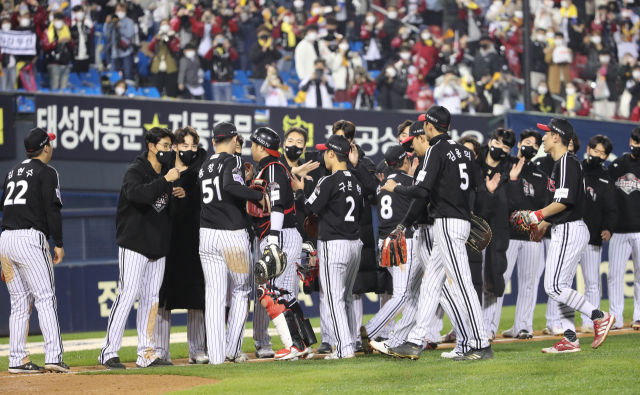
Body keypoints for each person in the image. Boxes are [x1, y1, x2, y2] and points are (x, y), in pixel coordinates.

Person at [381, 106, 498, 361]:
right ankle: (414, 340)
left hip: (447, 222)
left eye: (425, 125)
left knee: (463, 285)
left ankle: (480, 343)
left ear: (431, 127)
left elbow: (422, 191)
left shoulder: (436, 149)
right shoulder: (464, 151)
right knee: (431, 283)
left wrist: (395, 186)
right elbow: (478, 189)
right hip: (459, 220)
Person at [528, 117, 615, 353]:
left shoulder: (566, 161)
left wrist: (536, 216)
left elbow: (564, 201)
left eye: (547, 134)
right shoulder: (565, 163)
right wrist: (544, 223)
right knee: (561, 286)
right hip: (567, 227)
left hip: (570, 229)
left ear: (557, 137)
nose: (543, 137)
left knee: (554, 287)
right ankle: (570, 338)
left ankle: (599, 316)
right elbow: (564, 204)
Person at [99, 127, 182, 370]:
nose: (169, 150)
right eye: (165, 146)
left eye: (171, 146)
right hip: (134, 243)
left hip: (157, 247)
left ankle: (146, 353)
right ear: (151, 146)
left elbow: (166, 211)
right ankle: (108, 352)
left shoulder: (168, 173)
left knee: (151, 300)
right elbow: (136, 195)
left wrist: (177, 192)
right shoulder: (136, 170)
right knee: (127, 294)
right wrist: (165, 181)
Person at [0, 128, 69, 374]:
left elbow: (4, 206)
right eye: (49, 143)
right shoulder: (47, 172)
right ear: (46, 147)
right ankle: (53, 356)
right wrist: (58, 243)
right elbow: (52, 210)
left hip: (5, 240)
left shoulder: (12, 171)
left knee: (19, 303)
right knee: (45, 297)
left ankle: (17, 359)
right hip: (30, 239)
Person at [292, 134, 363, 359]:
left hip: (335, 244)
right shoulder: (356, 182)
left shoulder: (328, 180)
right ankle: (350, 342)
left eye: (325, 151)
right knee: (348, 297)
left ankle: (344, 348)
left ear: (332, 153)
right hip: (355, 245)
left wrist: (299, 191)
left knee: (334, 298)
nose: (323, 155)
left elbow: (310, 207)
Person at [198, 122, 262, 364]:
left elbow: (219, 189)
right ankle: (232, 350)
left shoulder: (204, 166)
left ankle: (215, 356)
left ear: (214, 141)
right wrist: (258, 194)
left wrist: (240, 182)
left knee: (214, 294)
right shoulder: (233, 159)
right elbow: (230, 186)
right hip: (232, 236)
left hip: (207, 235)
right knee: (241, 290)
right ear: (235, 139)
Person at [248, 127, 315, 360]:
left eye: (253, 144)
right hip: (283, 233)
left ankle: (293, 344)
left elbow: (276, 205)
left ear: (260, 146)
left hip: (281, 233)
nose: (251, 148)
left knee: (272, 292)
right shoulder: (274, 167)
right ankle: (303, 342)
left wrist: (274, 240)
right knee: (284, 293)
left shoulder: (273, 168)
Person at [155, 127, 208, 364]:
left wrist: (188, 195)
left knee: (196, 297)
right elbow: (153, 202)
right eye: (184, 146)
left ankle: (197, 350)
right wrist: (168, 194)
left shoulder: (202, 170)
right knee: (162, 297)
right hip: (167, 241)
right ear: (175, 147)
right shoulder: (164, 170)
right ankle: (160, 351)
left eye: (193, 146)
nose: (189, 151)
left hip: (194, 241)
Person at [360, 145, 416, 351]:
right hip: (401, 242)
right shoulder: (410, 183)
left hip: (383, 241)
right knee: (402, 294)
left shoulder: (381, 185)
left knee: (409, 292)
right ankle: (372, 329)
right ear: (405, 161)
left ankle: (400, 336)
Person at [496, 130, 549, 340]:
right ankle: (489, 327)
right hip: (506, 234)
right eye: (528, 143)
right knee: (500, 281)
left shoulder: (539, 174)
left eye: (536, 146)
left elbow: (545, 206)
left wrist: (541, 227)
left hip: (531, 237)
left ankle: (523, 326)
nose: (532, 148)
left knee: (529, 282)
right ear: (519, 143)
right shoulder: (505, 165)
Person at [477, 128, 522, 341]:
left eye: (506, 147)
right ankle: (464, 327)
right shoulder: (474, 158)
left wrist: (512, 180)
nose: (500, 149)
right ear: (491, 140)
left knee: (493, 277)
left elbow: (515, 202)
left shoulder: (511, 166)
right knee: (470, 278)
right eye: (498, 143)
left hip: (497, 227)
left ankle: (488, 326)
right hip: (473, 223)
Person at [576, 135, 617, 333]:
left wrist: (608, 228)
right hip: (570, 233)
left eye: (603, 153)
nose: (598, 155)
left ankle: (589, 321)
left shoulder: (606, 177)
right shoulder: (575, 167)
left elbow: (611, 208)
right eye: (596, 151)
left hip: (592, 236)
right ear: (588, 149)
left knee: (592, 281)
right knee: (561, 282)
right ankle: (557, 321)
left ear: (607, 156)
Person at [607, 127, 640, 331]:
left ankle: (639, 316)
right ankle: (616, 318)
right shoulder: (618, 164)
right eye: (636, 142)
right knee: (614, 275)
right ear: (630, 141)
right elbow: (607, 195)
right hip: (618, 230)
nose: (637, 146)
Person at [250, 25, 282, 105]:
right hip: (260, 77)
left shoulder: (271, 45)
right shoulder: (255, 46)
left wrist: (272, 48)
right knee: (260, 100)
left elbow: (279, 56)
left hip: (272, 78)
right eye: (262, 34)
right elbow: (253, 59)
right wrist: (263, 50)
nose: (264, 36)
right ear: (258, 35)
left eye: (266, 34)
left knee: (272, 100)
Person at [42, 12, 74, 90]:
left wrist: (69, 41)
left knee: (64, 88)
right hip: (53, 62)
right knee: (55, 86)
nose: (59, 21)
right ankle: (53, 102)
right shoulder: (48, 31)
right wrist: (57, 42)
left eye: (60, 19)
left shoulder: (66, 30)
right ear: (53, 20)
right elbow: (45, 46)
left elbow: (72, 46)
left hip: (65, 62)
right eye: (57, 19)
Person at [149, 19, 180, 98]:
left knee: (171, 90)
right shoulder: (157, 36)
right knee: (156, 89)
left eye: (166, 24)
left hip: (170, 68)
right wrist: (156, 40)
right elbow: (151, 49)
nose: (164, 26)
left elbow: (175, 49)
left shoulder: (174, 37)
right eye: (163, 24)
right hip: (158, 68)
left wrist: (170, 39)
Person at [104, 3, 136, 80]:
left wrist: (120, 28)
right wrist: (107, 23)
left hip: (126, 52)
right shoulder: (113, 21)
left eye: (122, 10)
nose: (120, 12)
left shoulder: (129, 22)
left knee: (127, 74)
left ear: (125, 11)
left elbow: (130, 34)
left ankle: (129, 90)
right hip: (114, 52)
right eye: (118, 10)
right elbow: (106, 35)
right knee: (113, 74)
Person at [207, 34, 238, 103]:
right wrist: (213, 47)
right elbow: (207, 58)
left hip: (227, 81)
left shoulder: (228, 50)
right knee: (217, 103)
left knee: (228, 103)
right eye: (218, 40)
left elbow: (235, 57)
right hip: (216, 81)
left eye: (221, 39)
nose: (220, 42)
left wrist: (228, 47)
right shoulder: (213, 51)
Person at [69, 6, 94, 75]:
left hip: (86, 54)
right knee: (75, 75)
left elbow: (91, 39)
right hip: (75, 55)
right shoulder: (71, 24)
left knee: (85, 75)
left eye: (81, 11)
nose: (79, 13)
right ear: (74, 13)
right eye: (77, 12)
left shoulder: (88, 24)